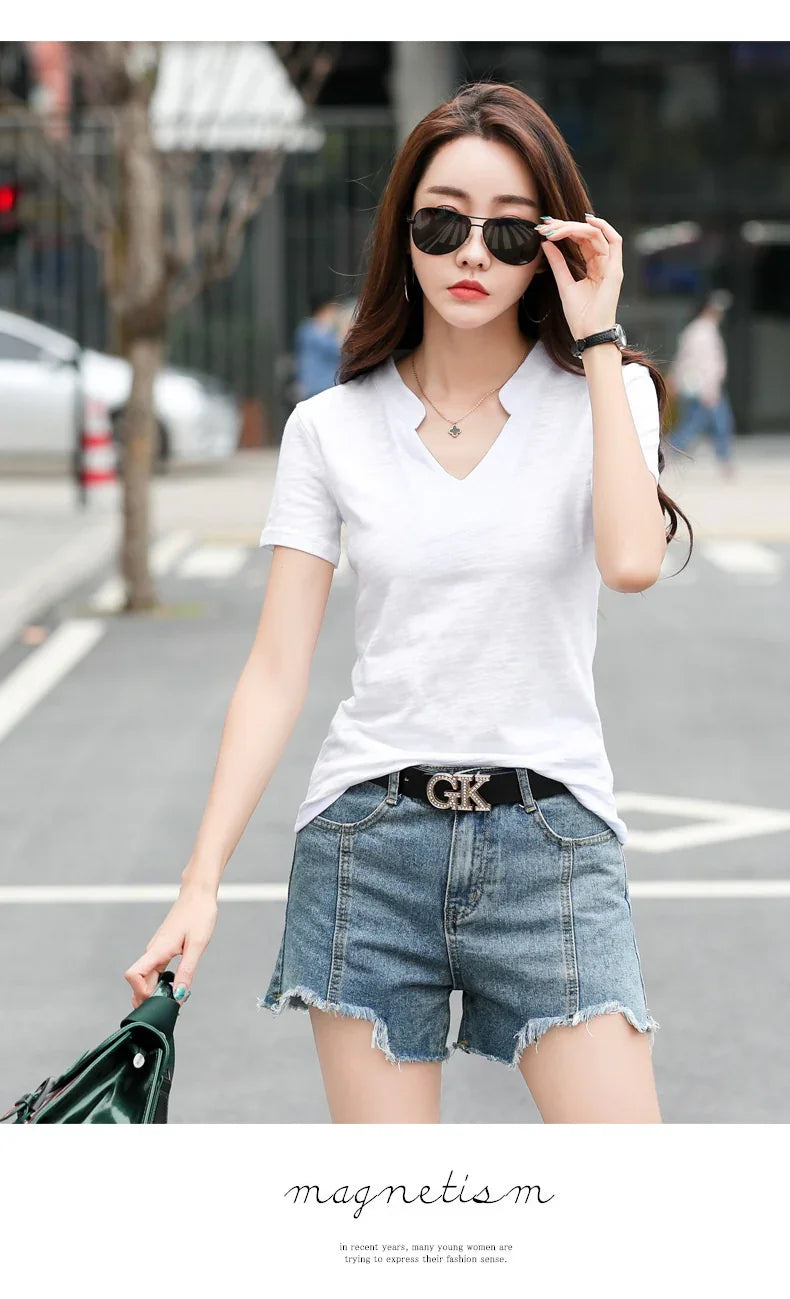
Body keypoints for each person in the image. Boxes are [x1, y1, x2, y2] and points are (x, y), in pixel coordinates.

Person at [124, 82, 694, 1124]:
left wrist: (600, 334)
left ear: (553, 241)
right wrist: (199, 882)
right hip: (367, 848)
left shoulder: (606, 399)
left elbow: (629, 561)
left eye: (509, 227)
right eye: (441, 222)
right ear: (403, 232)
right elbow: (275, 669)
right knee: (395, 1224)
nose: (471, 253)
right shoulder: (330, 428)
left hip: (553, 842)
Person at [667, 289, 737, 478]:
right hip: (705, 388)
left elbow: (683, 358)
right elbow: (706, 363)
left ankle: (673, 450)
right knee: (717, 423)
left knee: (693, 422)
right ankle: (723, 459)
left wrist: (675, 378)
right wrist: (710, 389)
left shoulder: (696, 329)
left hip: (696, 387)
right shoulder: (703, 331)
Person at [293, 295, 344, 399]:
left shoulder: (324, 331)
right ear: (323, 310)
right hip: (318, 387)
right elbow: (337, 348)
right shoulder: (311, 330)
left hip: (325, 387)